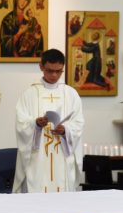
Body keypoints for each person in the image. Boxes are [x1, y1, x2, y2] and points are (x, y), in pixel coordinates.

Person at [12, 49, 84, 193]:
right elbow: (21, 124)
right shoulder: (29, 94)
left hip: (62, 156)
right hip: (38, 159)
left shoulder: (71, 94)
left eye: (59, 71)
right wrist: (36, 124)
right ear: (41, 67)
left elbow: (78, 122)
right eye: (50, 70)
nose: (54, 75)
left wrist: (66, 130)